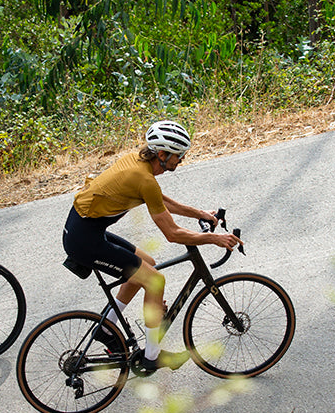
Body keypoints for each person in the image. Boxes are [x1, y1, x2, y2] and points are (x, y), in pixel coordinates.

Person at [62, 119, 240, 373]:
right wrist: (215, 239)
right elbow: (172, 233)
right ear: (163, 154)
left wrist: (200, 213)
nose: (182, 160)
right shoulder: (143, 178)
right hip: (84, 241)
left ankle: (106, 328)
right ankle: (151, 356)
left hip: (86, 230)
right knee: (154, 281)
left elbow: (160, 199)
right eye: (179, 156)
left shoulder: (139, 164)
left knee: (148, 264)